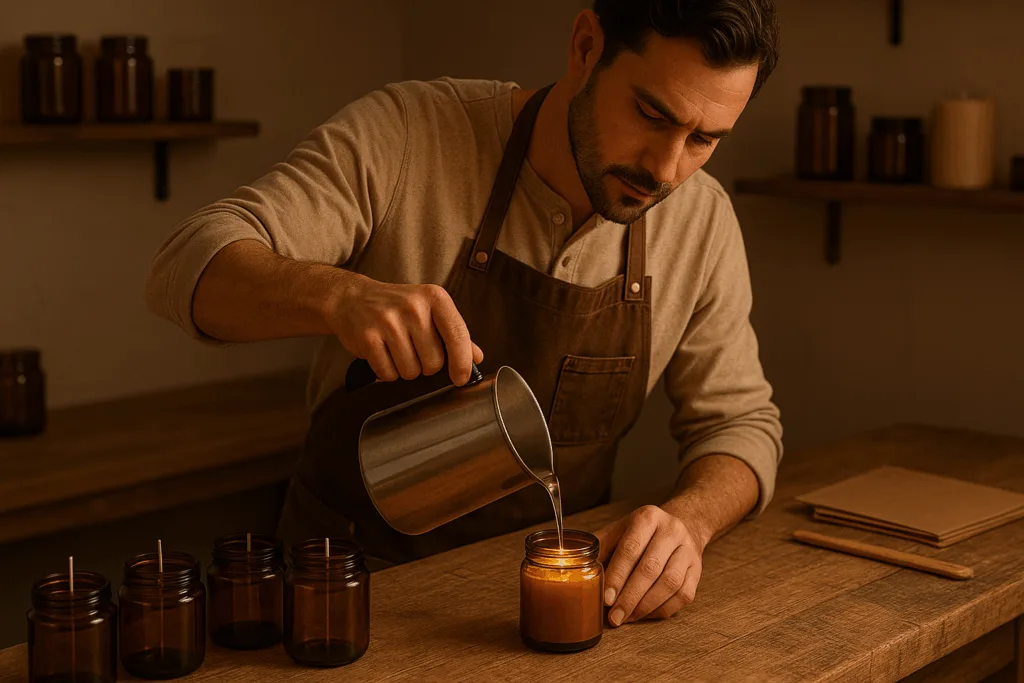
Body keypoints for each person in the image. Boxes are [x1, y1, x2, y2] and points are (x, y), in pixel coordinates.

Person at [144, 0, 783, 628]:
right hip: (344, 591)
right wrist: (340, 297)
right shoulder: (409, 133)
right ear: (586, 46)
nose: (666, 169)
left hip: (546, 607)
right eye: (650, 114)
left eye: (703, 140)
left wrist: (691, 521)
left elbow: (741, 424)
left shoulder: (701, 221)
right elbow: (186, 264)